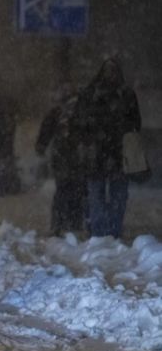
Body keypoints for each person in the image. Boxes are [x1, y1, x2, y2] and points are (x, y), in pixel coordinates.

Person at [74, 59, 141, 238]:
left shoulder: (96, 94)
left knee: (106, 197)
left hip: (109, 154)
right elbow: (135, 124)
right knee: (104, 197)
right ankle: (106, 233)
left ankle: (104, 233)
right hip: (103, 153)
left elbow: (135, 124)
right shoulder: (120, 94)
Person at [35, 83, 88, 236]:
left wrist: (41, 146)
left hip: (66, 157)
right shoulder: (77, 112)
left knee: (65, 191)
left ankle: (61, 224)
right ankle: (71, 224)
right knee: (72, 191)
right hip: (71, 157)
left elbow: (46, 131)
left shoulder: (60, 112)